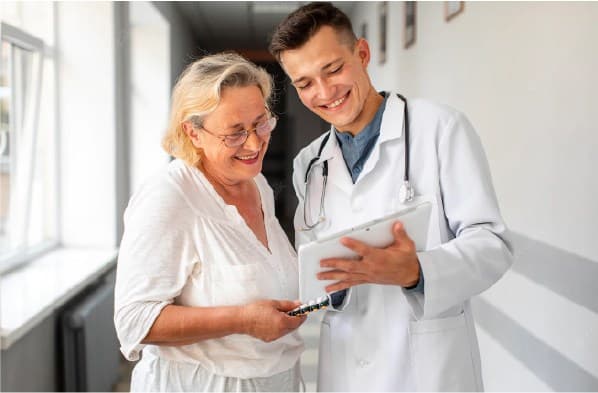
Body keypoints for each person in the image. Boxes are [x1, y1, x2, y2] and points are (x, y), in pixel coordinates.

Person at [269, 2, 515, 391]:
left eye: (333, 69)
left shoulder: (440, 128)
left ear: (362, 54)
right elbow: (317, 270)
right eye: (305, 83)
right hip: (346, 363)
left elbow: (493, 245)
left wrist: (417, 271)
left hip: (427, 367)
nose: (324, 92)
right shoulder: (310, 164)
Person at [113, 52, 306, 392]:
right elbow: (134, 322)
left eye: (261, 123)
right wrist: (242, 320)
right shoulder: (168, 197)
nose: (254, 142)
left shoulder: (256, 184)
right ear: (194, 132)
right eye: (234, 133)